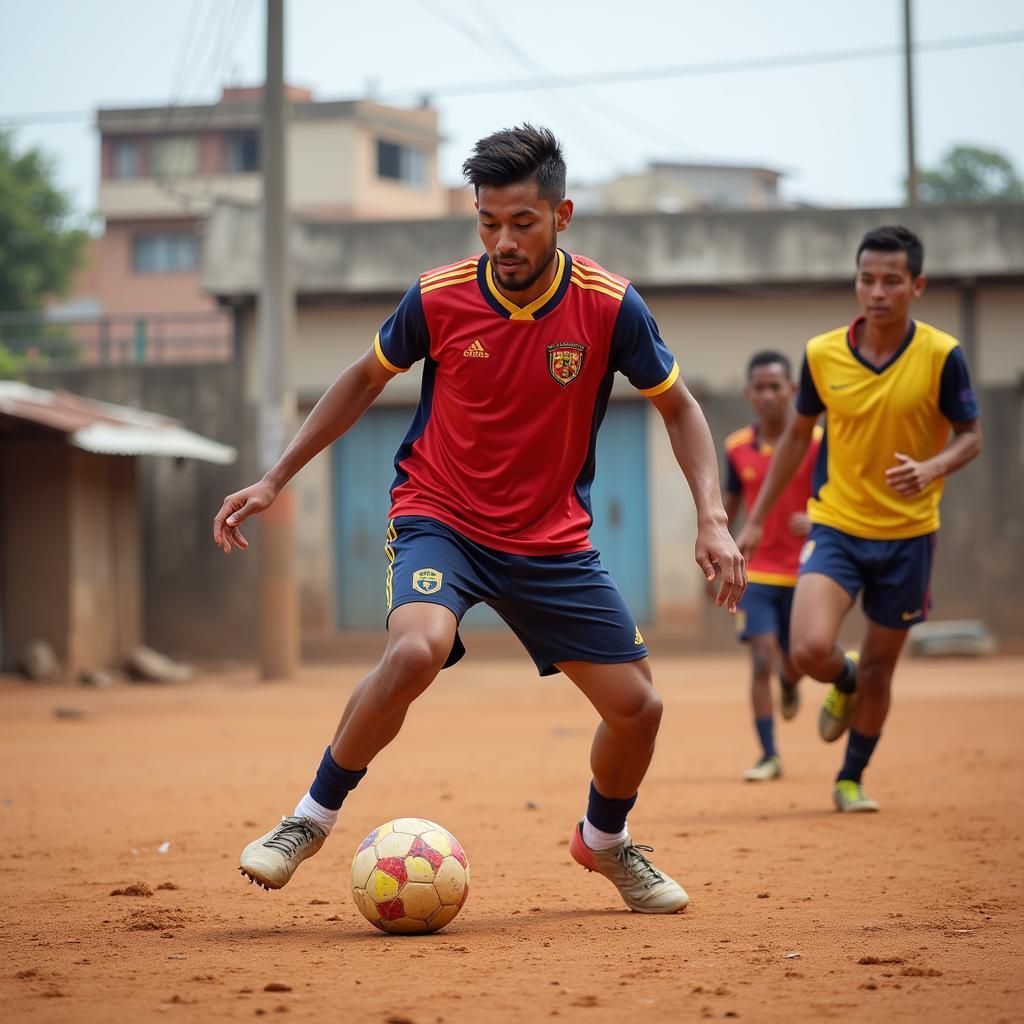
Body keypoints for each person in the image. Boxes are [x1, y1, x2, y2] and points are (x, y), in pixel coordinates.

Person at [213, 125, 745, 914]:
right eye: (487, 222)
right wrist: (273, 477)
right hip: (442, 516)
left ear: (561, 215)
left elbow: (680, 406)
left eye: (521, 223)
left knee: (640, 710)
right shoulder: (438, 296)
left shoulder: (609, 306)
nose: (502, 241)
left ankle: (603, 841)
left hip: (549, 540)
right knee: (416, 651)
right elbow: (362, 382)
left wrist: (712, 516)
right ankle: (307, 821)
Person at [736, 225, 981, 813]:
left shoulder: (943, 355)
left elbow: (971, 436)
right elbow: (797, 438)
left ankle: (851, 778)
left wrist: (933, 466)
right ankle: (840, 681)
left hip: (909, 535)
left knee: (881, 668)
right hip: (837, 527)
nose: (877, 291)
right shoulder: (822, 353)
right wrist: (755, 520)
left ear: (916, 285)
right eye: (867, 279)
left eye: (891, 280)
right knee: (808, 651)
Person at [723, 351, 821, 782]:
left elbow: (841, 496)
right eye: (759, 388)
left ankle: (792, 680)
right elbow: (725, 509)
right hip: (757, 571)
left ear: (793, 391)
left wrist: (818, 517)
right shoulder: (735, 448)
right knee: (761, 658)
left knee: (796, 659)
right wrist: (719, 559)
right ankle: (768, 754)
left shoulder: (817, 444)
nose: (767, 396)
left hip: (807, 569)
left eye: (775, 387)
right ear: (748, 394)